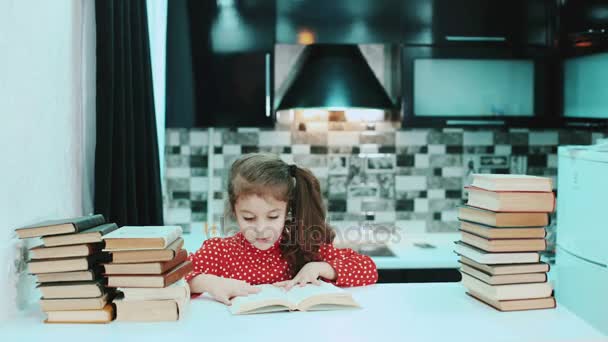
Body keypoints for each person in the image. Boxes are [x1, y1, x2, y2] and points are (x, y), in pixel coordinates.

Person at [186, 153, 378, 305]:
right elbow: (171, 276)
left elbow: (368, 269)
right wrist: (209, 283)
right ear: (234, 211)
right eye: (249, 218)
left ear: (288, 210)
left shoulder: (303, 246)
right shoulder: (220, 252)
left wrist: (320, 267)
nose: (261, 229)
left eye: (272, 217)